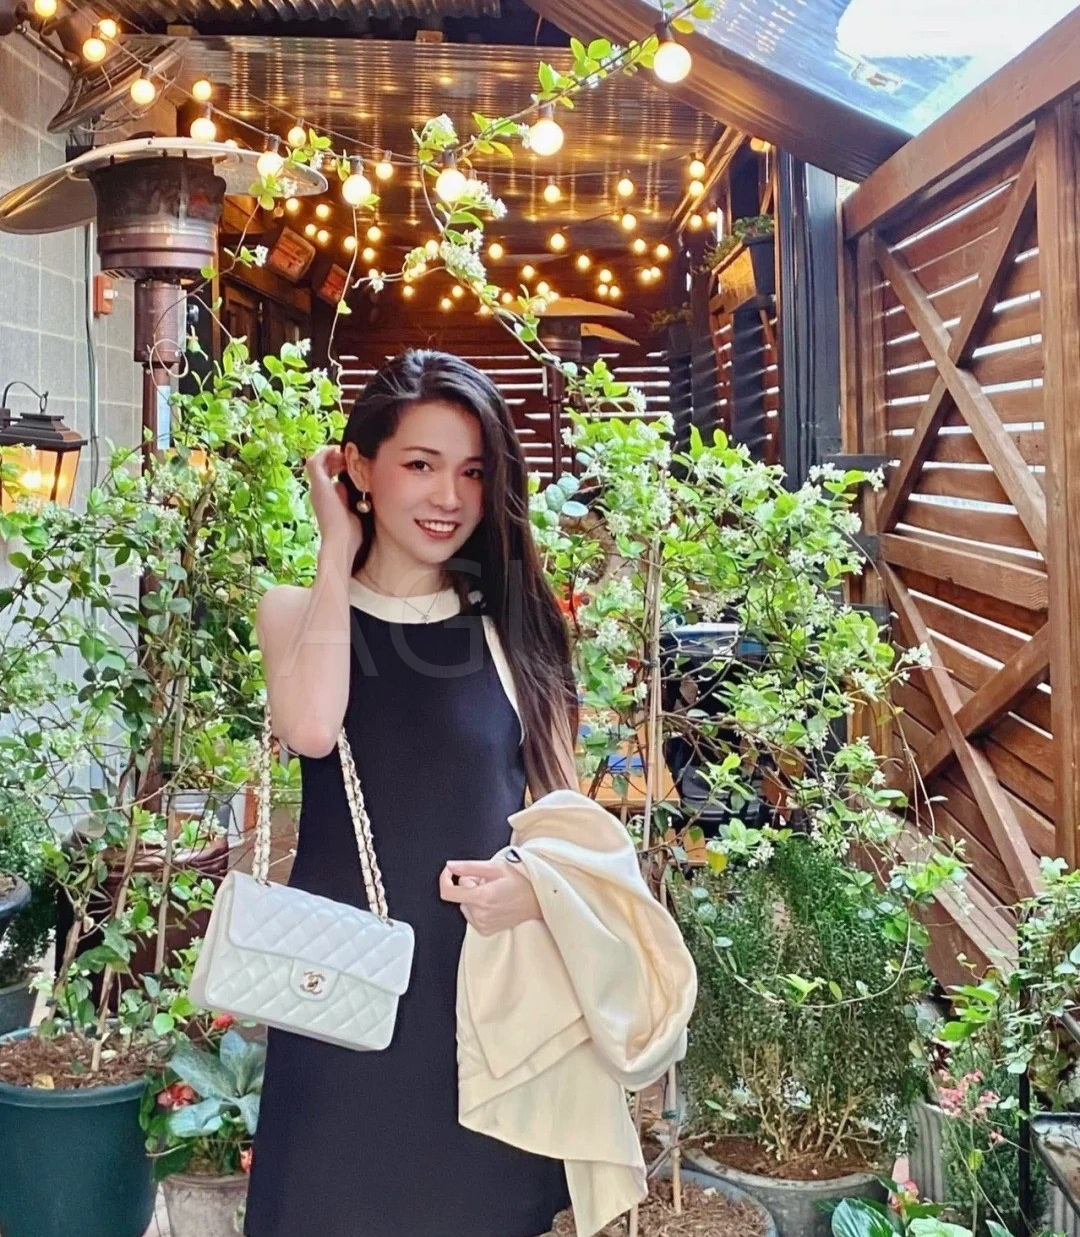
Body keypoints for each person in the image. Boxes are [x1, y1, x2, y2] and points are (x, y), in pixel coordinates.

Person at [245, 349, 579, 1237]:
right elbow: (313, 727)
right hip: (338, 996)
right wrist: (336, 547)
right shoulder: (295, 611)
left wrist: (533, 888)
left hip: (482, 1006)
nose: (449, 497)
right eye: (421, 464)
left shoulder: (512, 628)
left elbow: (566, 818)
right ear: (359, 468)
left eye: (471, 471)